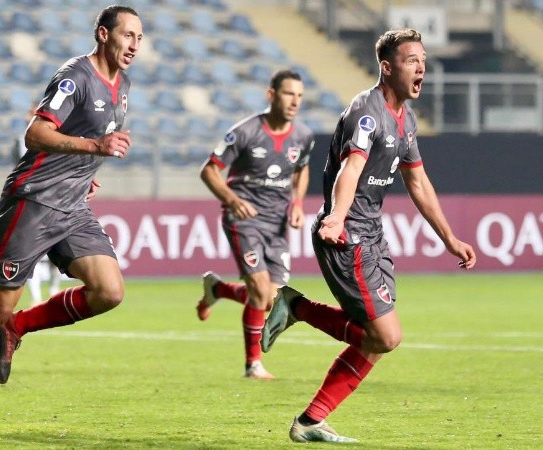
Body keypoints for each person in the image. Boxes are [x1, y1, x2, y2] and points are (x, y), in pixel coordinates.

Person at [0, 5, 143, 431]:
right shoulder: (75, 77)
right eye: (128, 35)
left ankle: (18, 327)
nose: (134, 45)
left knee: (109, 290)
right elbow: (35, 133)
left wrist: (83, 173)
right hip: (33, 202)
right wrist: (93, 151)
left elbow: (86, 139)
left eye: (139, 38)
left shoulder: (122, 85)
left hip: (72, 206)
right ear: (103, 35)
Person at [260, 28, 476, 443]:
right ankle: (297, 310)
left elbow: (419, 183)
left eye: (424, 60)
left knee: (378, 339)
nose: (422, 68)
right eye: (413, 60)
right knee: (385, 336)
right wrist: (337, 217)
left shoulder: (405, 119)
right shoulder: (367, 110)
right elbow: (351, 168)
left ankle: (311, 421)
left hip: (372, 234)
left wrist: (449, 238)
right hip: (348, 237)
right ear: (387, 66)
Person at [196, 69, 315, 380]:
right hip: (243, 219)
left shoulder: (303, 135)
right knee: (260, 292)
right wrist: (232, 199)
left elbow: (301, 169)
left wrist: (299, 203)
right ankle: (253, 365)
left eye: (300, 96)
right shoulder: (245, 132)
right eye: (289, 94)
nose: (295, 101)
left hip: (277, 224)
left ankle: (219, 289)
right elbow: (209, 171)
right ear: (271, 95)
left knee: (272, 298)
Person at [11, 102, 62, 306]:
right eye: (29, 113)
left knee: (56, 252)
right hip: (29, 200)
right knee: (30, 253)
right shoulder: (19, 141)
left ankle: (54, 290)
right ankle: (36, 298)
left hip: (53, 198)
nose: (30, 116)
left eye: (34, 112)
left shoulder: (55, 139)